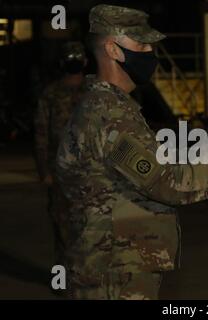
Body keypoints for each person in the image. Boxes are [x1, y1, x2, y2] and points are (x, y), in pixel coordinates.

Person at [56, 4, 208, 300]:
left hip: (110, 265)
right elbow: (174, 185)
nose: (151, 52)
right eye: (141, 44)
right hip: (116, 274)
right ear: (113, 50)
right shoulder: (110, 115)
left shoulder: (106, 106)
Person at [34, 41, 87, 266]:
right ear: (84, 62)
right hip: (73, 172)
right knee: (72, 226)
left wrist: (44, 171)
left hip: (73, 171)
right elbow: (41, 134)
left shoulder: (52, 93)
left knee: (68, 228)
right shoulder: (96, 91)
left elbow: (41, 135)